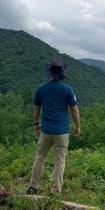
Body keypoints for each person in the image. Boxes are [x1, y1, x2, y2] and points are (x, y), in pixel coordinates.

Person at [27, 58, 81, 196]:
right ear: (62, 73)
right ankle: (55, 191)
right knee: (59, 161)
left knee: (40, 157)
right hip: (62, 132)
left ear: (50, 72)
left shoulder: (41, 89)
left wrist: (36, 124)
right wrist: (77, 127)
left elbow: (36, 108)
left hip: (46, 131)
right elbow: (74, 110)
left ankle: (33, 187)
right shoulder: (67, 89)